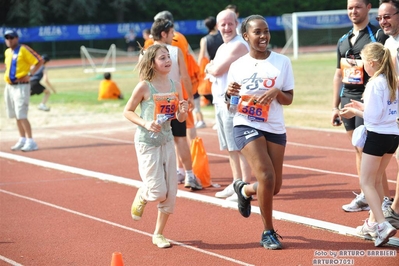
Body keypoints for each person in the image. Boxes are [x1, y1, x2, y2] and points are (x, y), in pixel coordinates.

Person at [227, 15, 294, 250]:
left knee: (273, 187)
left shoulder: (282, 62)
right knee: (265, 176)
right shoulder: (237, 66)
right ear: (246, 36)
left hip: (274, 126)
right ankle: (268, 232)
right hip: (245, 123)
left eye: (266, 31)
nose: (263, 36)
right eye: (258, 32)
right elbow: (231, 104)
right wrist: (229, 95)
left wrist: (276, 92)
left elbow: (289, 98)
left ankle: (243, 189)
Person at [123, 44, 189, 248]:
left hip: (167, 140)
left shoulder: (175, 85)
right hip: (147, 143)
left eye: (168, 56)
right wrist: (145, 123)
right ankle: (144, 193)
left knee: (170, 192)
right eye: (162, 58)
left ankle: (158, 234)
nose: (168, 60)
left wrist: (183, 111)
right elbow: (128, 111)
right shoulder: (144, 86)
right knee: (157, 192)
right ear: (152, 63)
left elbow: (178, 118)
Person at [331, 0, 389, 212]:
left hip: (370, 97)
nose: (353, 11)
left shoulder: (378, 35)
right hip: (348, 97)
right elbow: (338, 73)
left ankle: (383, 200)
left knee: (371, 152)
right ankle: (367, 195)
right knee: (358, 148)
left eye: (357, 7)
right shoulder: (343, 39)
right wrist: (334, 106)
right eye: (349, 8)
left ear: (367, 7)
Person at [340, 42, 398, 246]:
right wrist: (361, 105)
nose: (363, 66)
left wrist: (353, 111)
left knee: (366, 182)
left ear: (372, 62)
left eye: (364, 62)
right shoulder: (392, 80)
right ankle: (374, 223)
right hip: (392, 136)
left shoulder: (374, 83)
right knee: (375, 180)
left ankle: (382, 225)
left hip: (377, 137)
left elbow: (373, 118)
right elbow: (382, 110)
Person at [149, 18, 202, 190]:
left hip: (155, 103)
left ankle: (161, 177)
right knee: (180, 139)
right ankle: (189, 175)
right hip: (174, 101)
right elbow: (184, 77)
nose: (174, 36)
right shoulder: (175, 51)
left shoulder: (145, 53)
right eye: (172, 32)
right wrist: (190, 98)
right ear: (164, 34)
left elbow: (143, 80)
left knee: (158, 141)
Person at [205, 9, 252, 201]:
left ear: (237, 24)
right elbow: (212, 69)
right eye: (222, 24)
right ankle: (236, 183)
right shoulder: (223, 47)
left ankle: (245, 187)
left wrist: (210, 66)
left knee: (240, 147)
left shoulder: (239, 45)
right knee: (230, 148)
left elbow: (215, 69)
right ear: (217, 26)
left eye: (230, 23)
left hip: (234, 104)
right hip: (220, 102)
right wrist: (211, 67)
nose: (226, 27)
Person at [3, 29, 43, 152]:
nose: (9, 40)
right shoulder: (7, 52)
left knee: (21, 113)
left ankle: (31, 141)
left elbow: (39, 61)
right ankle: (22, 139)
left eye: (11, 37)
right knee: (15, 114)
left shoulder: (23, 49)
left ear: (17, 38)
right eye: (7, 38)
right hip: (10, 86)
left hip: (21, 85)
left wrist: (30, 74)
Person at [378, 0, 399, 229]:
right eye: (380, 18)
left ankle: (394, 211)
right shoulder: (388, 42)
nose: (384, 21)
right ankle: (391, 208)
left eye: (388, 16)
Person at [196, 16, 224, 128]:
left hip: (213, 66)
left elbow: (202, 56)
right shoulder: (223, 36)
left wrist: (199, 69)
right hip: (225, 64)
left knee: (216, 95)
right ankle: (223, 119)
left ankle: (218, 121)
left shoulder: (205, 39)